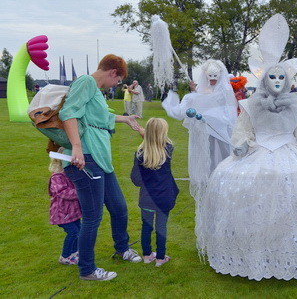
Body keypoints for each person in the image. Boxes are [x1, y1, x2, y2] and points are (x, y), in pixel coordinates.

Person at [195, 14, 297, 281]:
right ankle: (251, 249)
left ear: (288, 78)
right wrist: (241, 145)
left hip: (289, 152)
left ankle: (295, 250)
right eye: (272, 77)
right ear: (264, 79)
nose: (277, 81)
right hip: (257, 152)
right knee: (235, 180)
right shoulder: (251, 105)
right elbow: (243, 131)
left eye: (281, 77)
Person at [59, 54, 143, 281]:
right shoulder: (86, 82)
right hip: (85, 159)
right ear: (113, 72)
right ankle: (87, 270)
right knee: (93, 217)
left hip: (100, 160)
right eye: (118, 80)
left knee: (118, 207)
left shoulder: (95, 89)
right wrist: (76, 147)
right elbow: (69, 113)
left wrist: (125, 119)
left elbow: (98, 116)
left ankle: (122, 248)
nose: (116, 85)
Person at [162, 59, 237, 197]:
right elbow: (200, 102)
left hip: (219, 130)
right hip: (204, 130)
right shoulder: (203, 90)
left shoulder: (224, 91)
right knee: (206, 154)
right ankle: (209, 179)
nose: (212, 80)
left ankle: (222, 178)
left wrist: (197, 96)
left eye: (215, 77)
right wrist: (194, 94)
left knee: (222, 153)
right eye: (210, 77)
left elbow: (222, 108)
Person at [131, 118, 179, 267]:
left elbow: (136, 180)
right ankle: (160, 257)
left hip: (146, 199)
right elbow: (158, 142)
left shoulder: (140, 154)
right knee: (161, 227)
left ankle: (147, 255)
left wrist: (144, 133)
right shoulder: (168, 150)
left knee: (146, 226)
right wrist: (145, 134)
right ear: (163, 134)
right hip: (164, 198)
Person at [48, 147, 82, 266]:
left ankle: (74, 253)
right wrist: (80, 191)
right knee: (73, 233)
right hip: (62, 213)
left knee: (79, 230)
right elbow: (62, 192)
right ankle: (65, 256)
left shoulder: (70, 173)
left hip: (73, 212)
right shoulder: (57, 177)